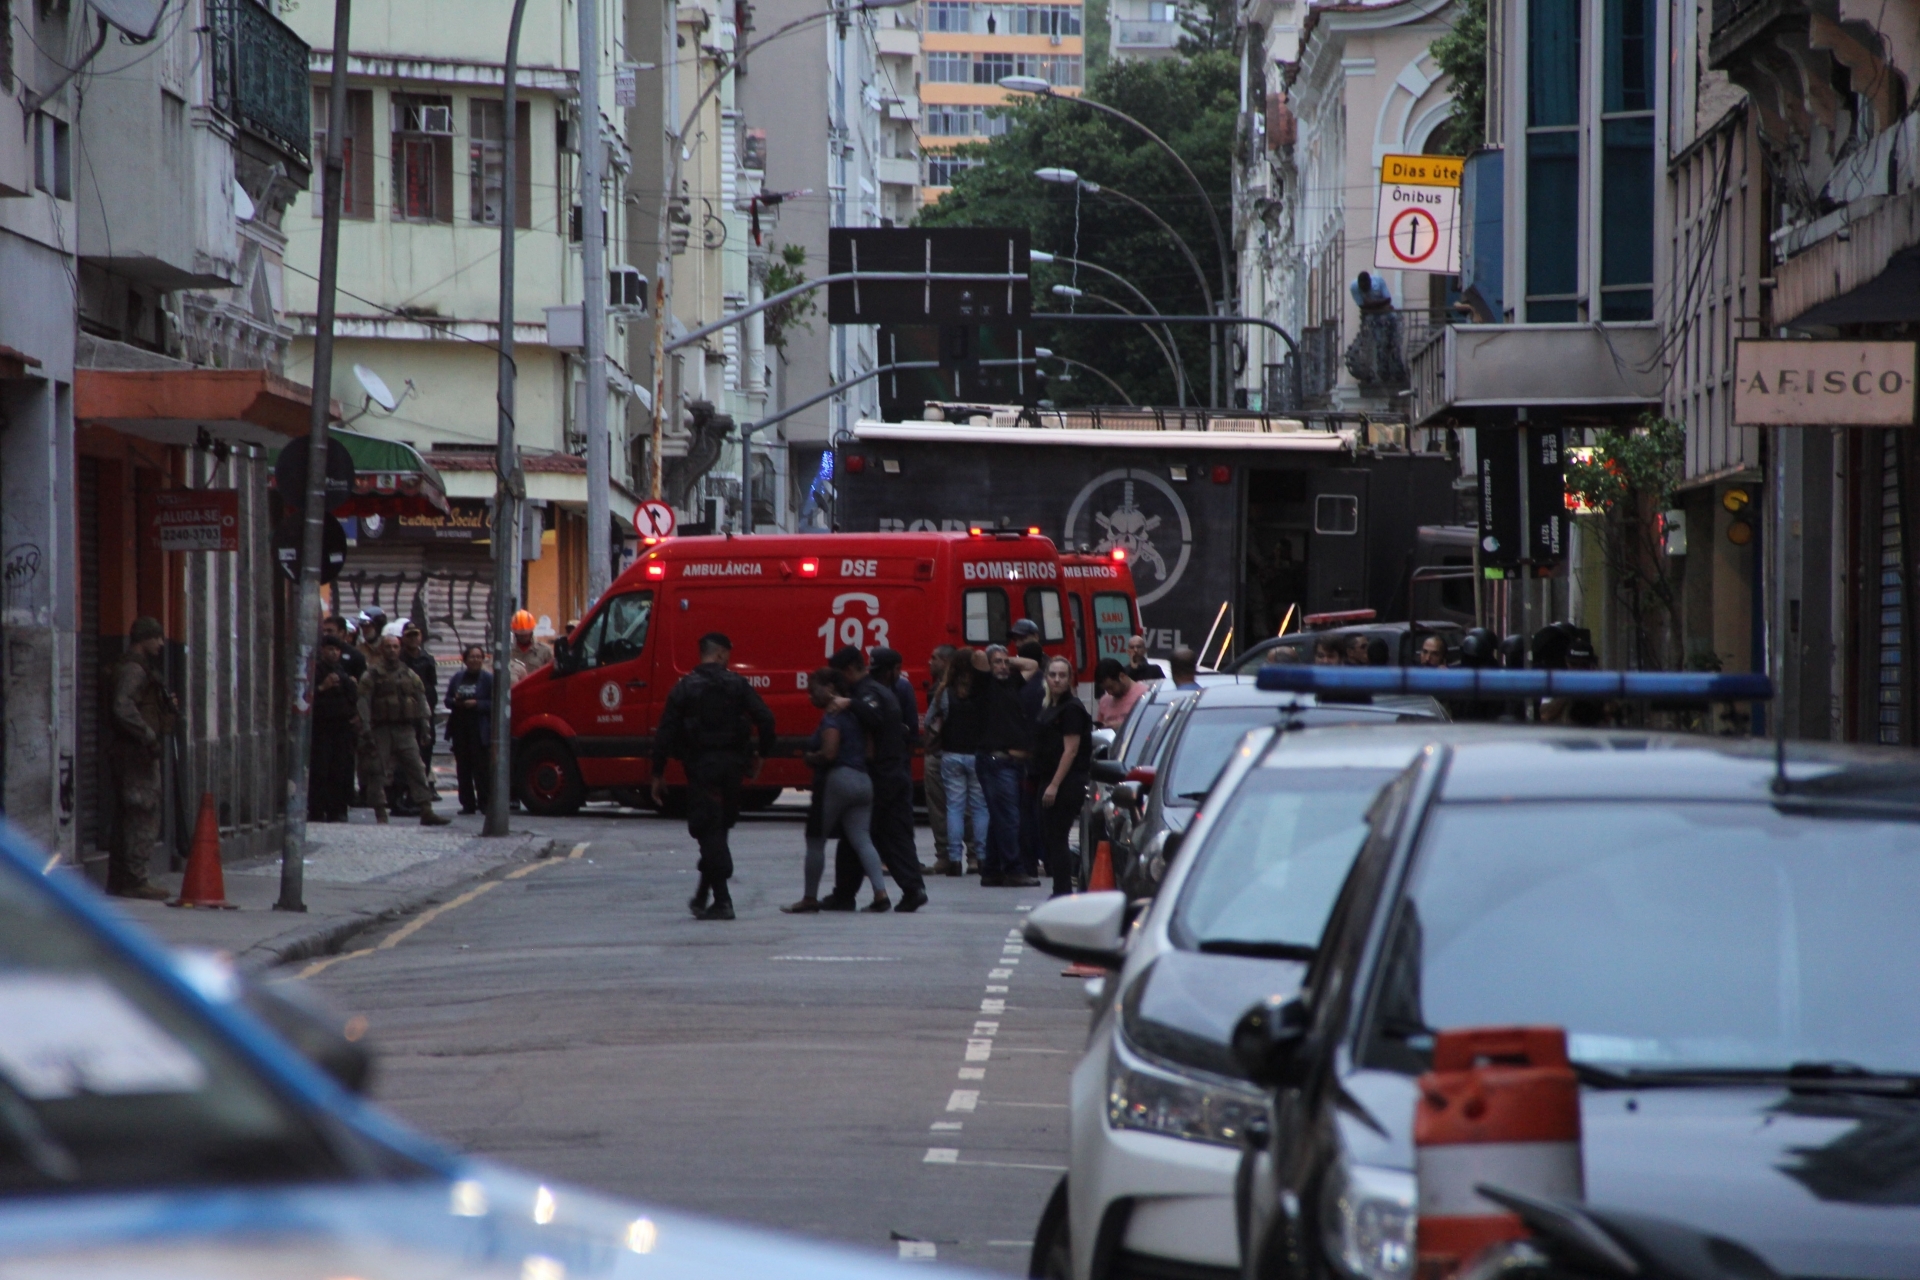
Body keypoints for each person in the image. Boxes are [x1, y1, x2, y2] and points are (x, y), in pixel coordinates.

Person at [651, 632, 777, 920]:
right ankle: (704, 895)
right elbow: (766, 719)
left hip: (701, 767)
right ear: (720, 654)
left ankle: (722, 899)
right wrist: (762, 755)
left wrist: (657, 773)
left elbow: (666, 732)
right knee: (718, 829)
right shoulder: (737, 686)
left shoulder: (684, 688)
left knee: (709, 831)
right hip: (733, 768)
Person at [820, 646, 928, 912]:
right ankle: (847, 893)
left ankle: (910, 890)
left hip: (884, 776)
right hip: (889, 774)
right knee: (862, 836)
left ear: (848, 670)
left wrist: (850, 703)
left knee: (882, 836)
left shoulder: (868, 693)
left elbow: (874, 718)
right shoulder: (874, 690)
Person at [783, 669, 890, 913]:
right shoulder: (857, 716)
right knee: (862, 839)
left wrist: (812, 757)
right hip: (864, 781)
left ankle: (809, 898)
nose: (810, 695)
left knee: (815, 840)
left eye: (814, 689)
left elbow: (830, 752)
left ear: (831, 688)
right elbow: (870, 752)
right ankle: (880, 893)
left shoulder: (832, 716)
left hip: (838, 781)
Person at [106, 617, 178, 899]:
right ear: (142, 639)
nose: (161, 643)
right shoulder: (134, 669)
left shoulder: (137, 668)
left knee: (130, 815)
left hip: (132, 751)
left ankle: (121, 879)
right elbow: (122, 707)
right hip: (135, 753)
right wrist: (147, 735)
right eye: (156, 637)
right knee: (142, 813)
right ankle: (135, 880)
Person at [359, 632, 451, 827]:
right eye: (388, 647)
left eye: (395, 647)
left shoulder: (408, 673)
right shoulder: (372, 674)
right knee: (377, 770)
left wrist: (425, 726)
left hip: (405, 729)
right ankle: (380, 812)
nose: (392, 650)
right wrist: (366, 727)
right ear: (382, 650)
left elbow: (421, 699)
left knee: (417, 768)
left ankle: (426, 809)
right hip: (381, 729)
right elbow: (363, 702)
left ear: (400, 649)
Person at [971, 643, 1040, 887]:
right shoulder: (983, 685)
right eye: (997, 662)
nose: (1002, 666)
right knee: (1009, 818)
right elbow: (978, 655)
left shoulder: (1012, 682)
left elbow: (1033, 664)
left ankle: (991, 870)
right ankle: (1014, 869)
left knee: (1000, 817)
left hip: (1012, 764)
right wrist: (992, 662)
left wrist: (1008, 661)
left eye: (1005, 662)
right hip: (995, 761)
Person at [1032, 656, 1092, 897]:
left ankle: (1063, 892)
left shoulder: (1072, 709)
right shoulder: (1050, 705)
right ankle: (1060, 890)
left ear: (1070, 679)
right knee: (1051, 838)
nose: (1057, 679)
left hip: (1065, 783)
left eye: (1062, 675)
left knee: (1057, 838)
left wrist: (1055, 785)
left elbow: (1071, 750)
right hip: (1048, 778)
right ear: (1046, 677)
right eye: (1053, 674)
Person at [933, 646, 988, 876]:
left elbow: (931, 721)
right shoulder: (983, 690)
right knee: (979, 808)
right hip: (977, 754)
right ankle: (982, 857)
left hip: (951, 753)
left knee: (954, 808)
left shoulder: (945, 692)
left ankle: (954, 859)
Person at [309, 637, 360, 823]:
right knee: (320, 770)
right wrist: (323, 687)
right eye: (330, 649)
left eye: (337, 650)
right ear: (322, 650)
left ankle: (337, 809)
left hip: (341, 729)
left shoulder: (342, 672)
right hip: (322, 728)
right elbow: (306, 697)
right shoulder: (315, 671)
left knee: (341, 770)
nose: (334, 653)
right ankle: (317, 809)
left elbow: (353, 697)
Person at [921, 645, 958, 875]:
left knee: (939, 808)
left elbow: (929, 724)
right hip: (961, 752)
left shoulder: (942, 691)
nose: (929, 662)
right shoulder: (964, 689)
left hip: (939, 753)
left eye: (934, 658)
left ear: (945, 662)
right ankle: (974, 855)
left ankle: (945, 856)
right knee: (966, 808)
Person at [444, 645, 494, 814]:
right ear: (465, 660)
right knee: (463, 769)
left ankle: (485, 803)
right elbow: (447, 700)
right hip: (460, 728)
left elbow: (495, 703)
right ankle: (467, 804)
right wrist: (455, 702)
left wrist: (477, 704)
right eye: (472, 657)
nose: (475, 660)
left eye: (479, 657)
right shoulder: (458, 678)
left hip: (480, 730)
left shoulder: (488, 679)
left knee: (482, 770)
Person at [401, 623, 441, 798]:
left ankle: (422, 790)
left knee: (425, 749)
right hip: (405, 713)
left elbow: (431, 686)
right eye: (409, 635)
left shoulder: (427, 659)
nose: (412, 639)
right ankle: (406, 790)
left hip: (424, 712)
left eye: (415, 635)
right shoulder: (400, 659)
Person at [1093, 657, 1145, 729]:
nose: (1109, 692)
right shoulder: (1104, 701)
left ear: (1122, 676)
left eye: (1111, 687)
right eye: (1106, 689)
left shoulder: (1144, 695)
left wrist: (1122, 727)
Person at [509, 609, 553, 683]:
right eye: (521, 635)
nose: (524, 637)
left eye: (526, 634)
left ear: (532, 632)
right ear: (515, 633)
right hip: (516, 691)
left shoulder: (545, 651)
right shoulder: (508, 652)